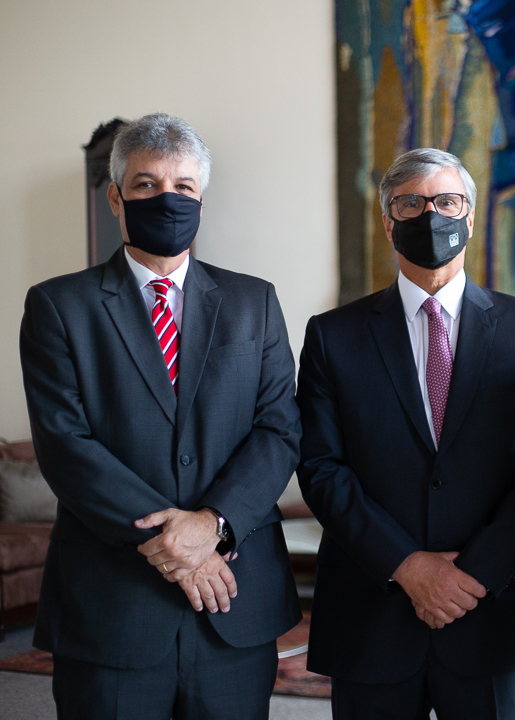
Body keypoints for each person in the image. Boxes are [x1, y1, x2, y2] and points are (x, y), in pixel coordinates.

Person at [20, 113, 302, 719]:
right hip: (110, 605)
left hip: (233, 602)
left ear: (201, 200)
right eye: (146, 185)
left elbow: (279, 429)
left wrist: (214, 523)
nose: (166, 198)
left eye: (183, 186)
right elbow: (65, 444)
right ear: (115, 198)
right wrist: (175, 541)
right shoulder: (58, 306)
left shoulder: (254, 301)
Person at [296, 148, 515, 720]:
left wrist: (474, 574)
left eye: (447, 201)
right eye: (411, 204)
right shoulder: (332, 336)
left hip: (493, 612)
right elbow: (320, 468)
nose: (431, 215)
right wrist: (408, 566)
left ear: (470, 217)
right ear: (387, 223)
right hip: (372, 616)